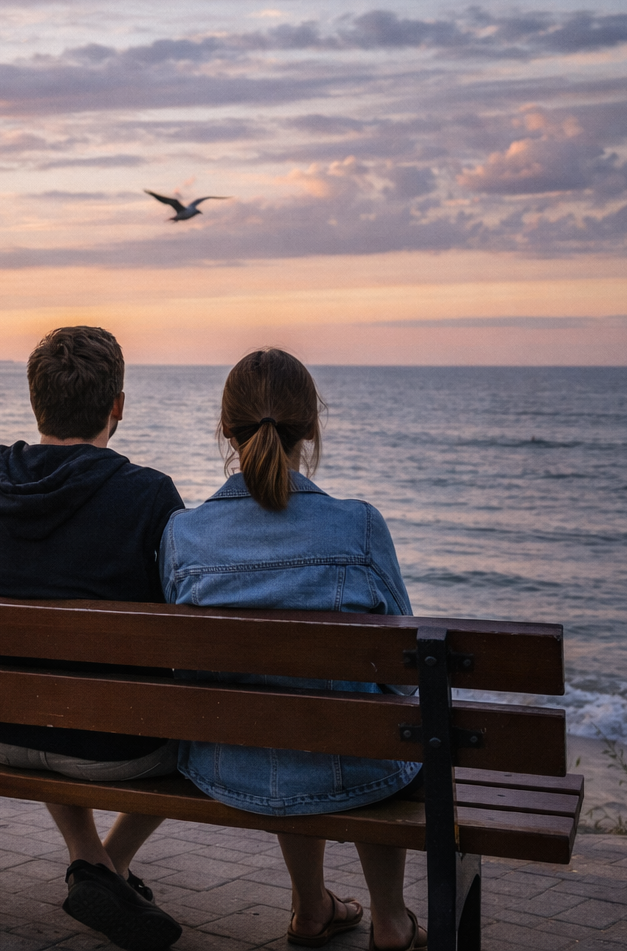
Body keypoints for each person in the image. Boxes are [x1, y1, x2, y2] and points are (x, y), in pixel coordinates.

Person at [160, 348, 425, 951]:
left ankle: (312, 910)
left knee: (292, 708)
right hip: (354, 760)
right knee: (374, 721)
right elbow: (405, 676)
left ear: (225, 428)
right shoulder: (358, 525)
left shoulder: (184, 533)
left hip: (230, 761)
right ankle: (391, 921)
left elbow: (183, 664)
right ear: (312, 427)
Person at [0, 326, 186, 951]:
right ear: (117, 405)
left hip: (1, 728)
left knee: (46, 686)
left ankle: (92, 857)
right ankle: (104, 861)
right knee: (202, 717)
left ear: (37, 402)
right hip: (118, 745)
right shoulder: (150, 494)